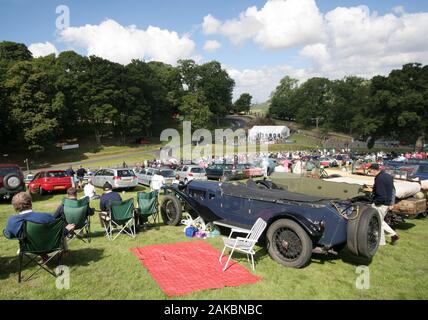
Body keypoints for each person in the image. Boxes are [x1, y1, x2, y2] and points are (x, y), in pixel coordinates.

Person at [4, 192, 75, 260]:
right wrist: (66, 230)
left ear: (15, 206)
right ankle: (64, 252)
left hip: (29, 249)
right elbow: (57, 233)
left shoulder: (12, 221)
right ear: (31, 203)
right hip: (50, 246)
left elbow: (9, 235)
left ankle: (43, 255)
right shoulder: (46, 217)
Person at [369, 164, 399, 246]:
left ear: (374, 170)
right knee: (380, 221)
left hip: (381, 204)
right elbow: (393, 190)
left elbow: (381, 195)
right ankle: (394, 235)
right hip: (386, 203)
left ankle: (380, 242)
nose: (369, 172)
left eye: (370, 170)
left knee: (377, 222)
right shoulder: (388, 176)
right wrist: (391, 203)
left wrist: (374, 203)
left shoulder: (379, 178)